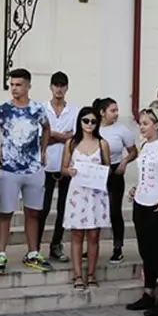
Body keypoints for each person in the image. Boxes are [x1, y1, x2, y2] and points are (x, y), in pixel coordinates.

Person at [0, 68, 52, 273]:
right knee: (6, 212)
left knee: (32, 212)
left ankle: (32, 252)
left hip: (33, 168)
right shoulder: (4, 109)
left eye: (19, 85)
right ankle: (1, 254)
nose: (14, 88)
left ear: (28, 86)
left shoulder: (38, 109)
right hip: (9, 168)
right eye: (12, 84)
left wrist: (43, 151)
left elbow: (47, 128)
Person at [126, 106, 158, 316]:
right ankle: (148, 292)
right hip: (141, 202)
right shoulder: (144, 146)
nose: (142, 128)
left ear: (157, 124)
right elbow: (145, 174)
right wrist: (137, 188)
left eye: (146, 124)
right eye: (141, 124)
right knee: (145, 250)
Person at [62, 106, 111, 291]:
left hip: (96, 193)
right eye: (86, 121)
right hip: (78, 193)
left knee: (93, 235)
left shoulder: (102, 144)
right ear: (80, 122)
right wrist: (70, 171)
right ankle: (77, 275)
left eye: (93, 121)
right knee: (76, 234)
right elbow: (63, 168)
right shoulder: (71, 143)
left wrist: (101, 173)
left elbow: (108, 167)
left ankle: (91, 274)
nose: (89, 124)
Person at [40, 72, 76, 263]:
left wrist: (52, 135)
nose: (59, 89)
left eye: (62, 85)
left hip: (66, 165)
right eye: (56, 85)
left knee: (63, 208)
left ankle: (56, 244)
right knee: (42, 208)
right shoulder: (42, 109)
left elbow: (76, 137)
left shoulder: (74, 111)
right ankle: (35, 247)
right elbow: (40, 135)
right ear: (51, 87)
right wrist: (63, 136)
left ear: (67, 87)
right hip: (45, 164)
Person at [96, 97, 136, 264]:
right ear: (102, 113)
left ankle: (118, 247)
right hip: (97, 171)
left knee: (114, 210)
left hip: (115, 171)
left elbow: (133, 151)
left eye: (117, 110)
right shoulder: (94, 128)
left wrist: (124, 162)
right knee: (95, 209)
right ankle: (92, 245)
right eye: (112, 110)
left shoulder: (122, 130)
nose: (116, 114)